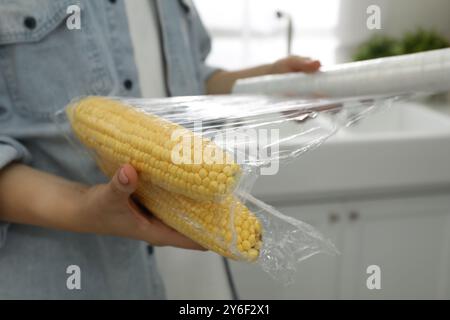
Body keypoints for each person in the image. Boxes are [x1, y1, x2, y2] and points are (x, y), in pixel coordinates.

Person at [0, 0, 321, 299]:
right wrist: (85, 207)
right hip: (79, 272)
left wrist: (262, 82)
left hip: (199, 275)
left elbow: (191, 81)